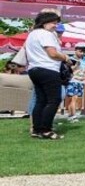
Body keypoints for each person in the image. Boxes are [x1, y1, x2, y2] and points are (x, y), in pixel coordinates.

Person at [24, 11, 70, 140]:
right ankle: (46, 129)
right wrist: (66, 58)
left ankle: (36, 129)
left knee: (41, 100)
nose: (56, 26)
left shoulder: (32, 35)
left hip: (34, 69)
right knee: (53, 100)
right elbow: (53, 53)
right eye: (54, 23)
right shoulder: (46, 34)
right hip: (48, 69)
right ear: (45, 23)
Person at [62, 44, 85, 120]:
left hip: (81, 81)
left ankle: (70, 115)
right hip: (73, 80)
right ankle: (73, 115)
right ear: (76, 50)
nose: (82, 53)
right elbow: (69, 70)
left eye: (84, 52)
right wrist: (76, 65)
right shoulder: (70, 59)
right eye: (80, 51)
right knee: (74, 98)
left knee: (74, 99)